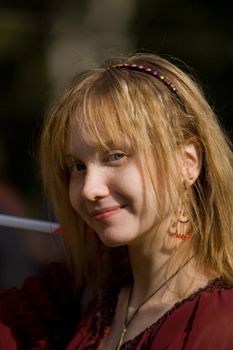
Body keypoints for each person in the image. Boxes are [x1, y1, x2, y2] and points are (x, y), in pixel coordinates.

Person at [1, 52, 233, 350]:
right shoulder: (75, 300)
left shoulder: (220, 325)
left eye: (115, 156)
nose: (88, 189)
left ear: (187, 163)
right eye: (77, 166)